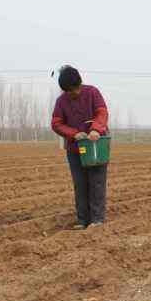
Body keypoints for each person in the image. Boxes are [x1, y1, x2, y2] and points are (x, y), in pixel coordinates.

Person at [51, 65, 109, 229]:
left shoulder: (92, 93)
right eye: (69, 91)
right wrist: (74, 134)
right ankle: (82, 220)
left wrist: (96, 129)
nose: (73, 93)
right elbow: (56, 123)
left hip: (96, 147)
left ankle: (97, 219)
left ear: (80, 83)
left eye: (75, 89)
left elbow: (102, 112)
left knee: (96, 182)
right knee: (80, 183)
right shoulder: (61, 102)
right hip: (76, 149)